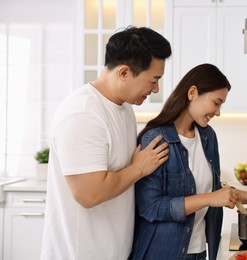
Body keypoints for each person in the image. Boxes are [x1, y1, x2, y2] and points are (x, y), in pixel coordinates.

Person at [40, 26, 172, 260]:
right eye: (153, 80)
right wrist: (139, 168)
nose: (156, 89)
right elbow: (89, 194)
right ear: (123, 73)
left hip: (114, 252)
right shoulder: (83, 114)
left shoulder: (124, 108)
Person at [131, 63, 247, 260]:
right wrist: (210, 199)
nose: (218, 112)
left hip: (199, 250)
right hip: (162, 252)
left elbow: (207, 187)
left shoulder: (207, 136)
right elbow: (151, 207)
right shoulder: (156, 139)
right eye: (216, 102)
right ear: (192, 93)